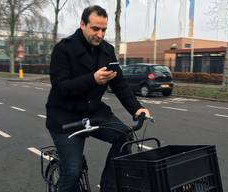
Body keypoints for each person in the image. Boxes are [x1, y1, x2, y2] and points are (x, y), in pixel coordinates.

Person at [45, 5, 150, 192]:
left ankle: (108, 187)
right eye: (95, 29)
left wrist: (137, 108)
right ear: (83, 24)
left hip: (94, 113)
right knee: (72, 171)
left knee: (125, 137)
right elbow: (61, 88)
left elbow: (120, 84)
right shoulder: (63, 49)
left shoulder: (107, 50)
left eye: (104, 30)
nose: (100, 35)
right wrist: (92, 79)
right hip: (65, 119)